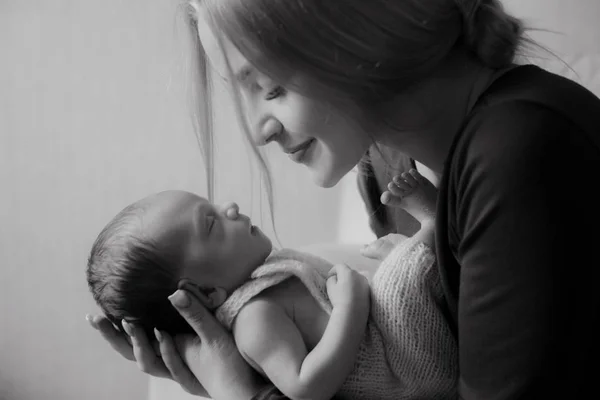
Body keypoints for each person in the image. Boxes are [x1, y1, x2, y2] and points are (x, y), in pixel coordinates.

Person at [86, 0, 600, 399]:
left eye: (268, 86)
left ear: (346, 39)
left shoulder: (520, 156)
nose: (259, 131)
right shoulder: (387, 172)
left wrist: (237, 391)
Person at [87, 171, 457, 400]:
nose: (229, 207)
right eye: (212, 223)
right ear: (205, 293)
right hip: (404, 369)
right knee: (396, 280)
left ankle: (426, 248)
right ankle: (433, 223)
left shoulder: (267, 276)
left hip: (402, 342)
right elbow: (304, 386)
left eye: (213, 205)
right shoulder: (253, 319)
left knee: (391, 263)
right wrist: (351, 309)